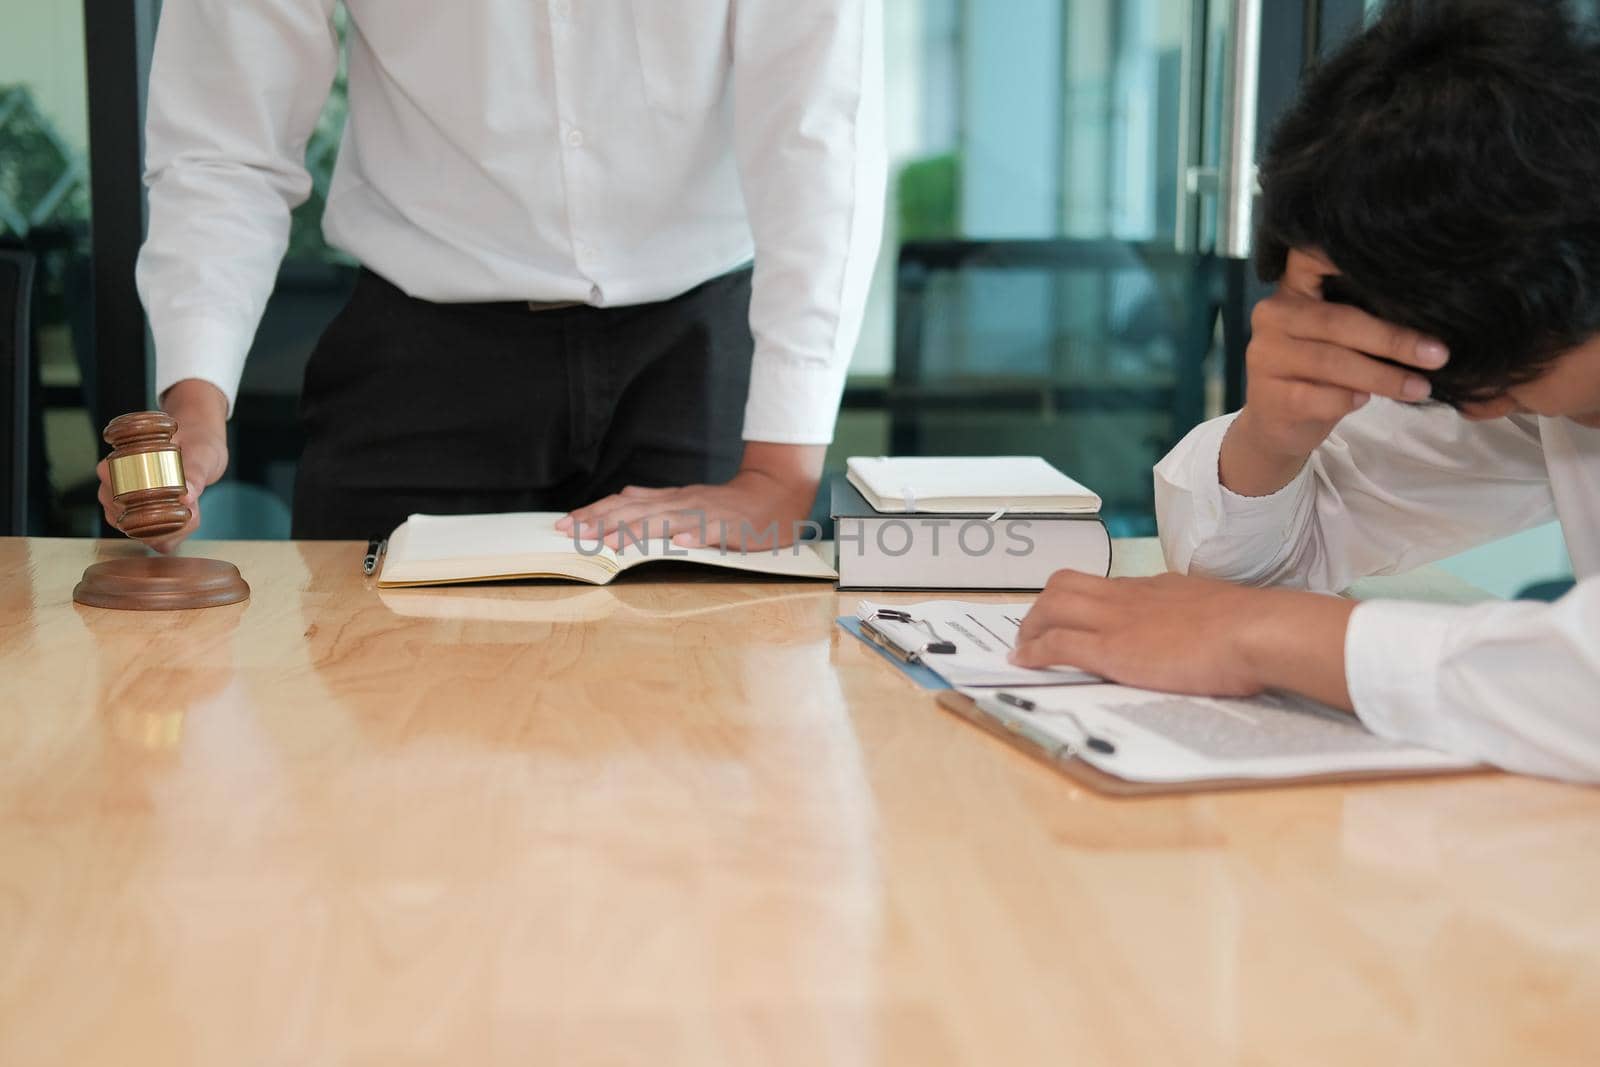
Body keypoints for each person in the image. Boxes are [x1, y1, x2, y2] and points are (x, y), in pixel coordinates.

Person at [1012, 0, 1600, 782]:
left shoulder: (1524, 371)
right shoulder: (1535, 389)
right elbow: (1248, 573)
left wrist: (1264, 634)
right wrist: (1274, 437)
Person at [99, 1, 885, 552]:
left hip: (697, 355)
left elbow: (819, 131)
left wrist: (778, 474)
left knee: (703, 747)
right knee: (368, 738)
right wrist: (197, 400)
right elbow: (225, 140)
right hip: (419, 361)